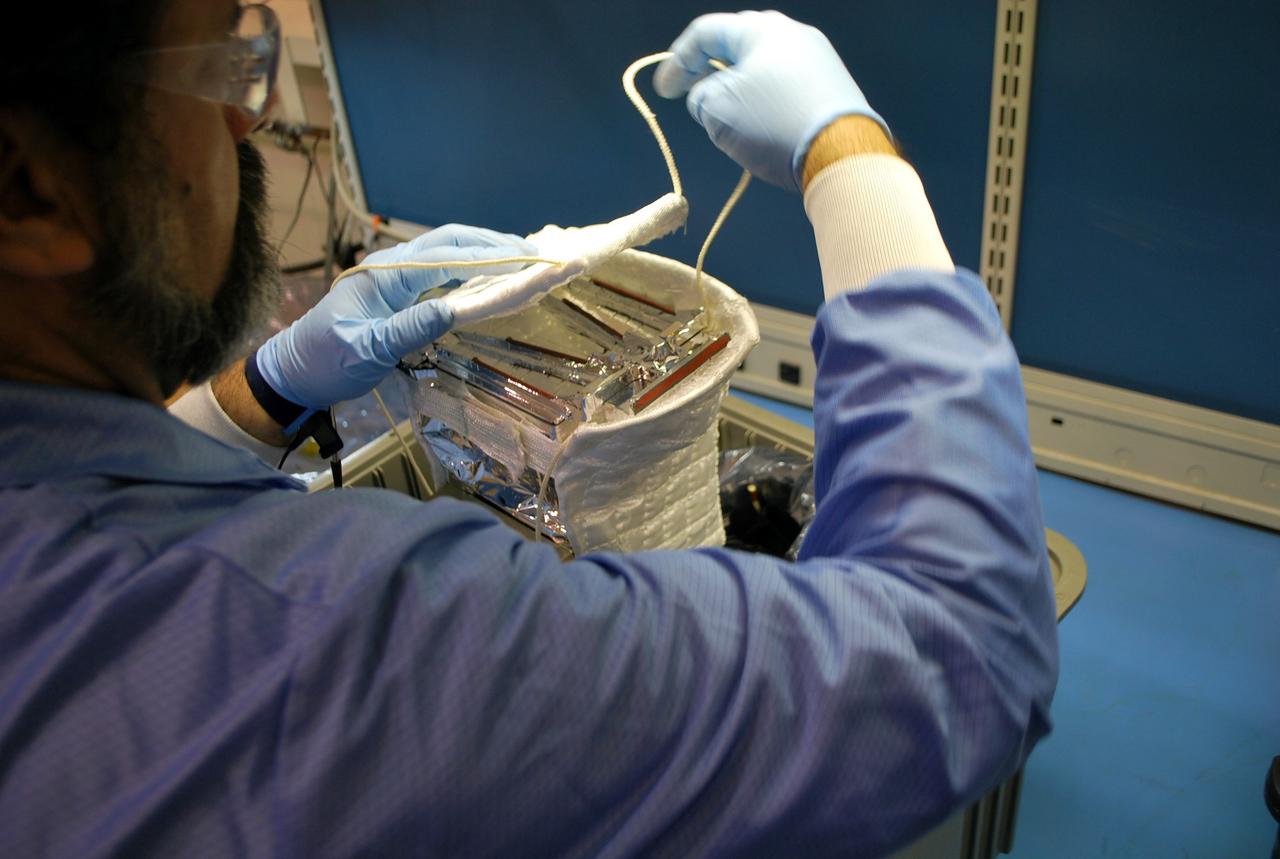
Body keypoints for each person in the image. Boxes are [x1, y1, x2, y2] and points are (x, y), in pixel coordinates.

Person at [0, 3, 1057, 856]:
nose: (243, 119)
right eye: (215, 61)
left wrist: (250, 403)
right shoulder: (334, 649)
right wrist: (849, 157)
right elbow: (956, 645)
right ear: (25, 188)